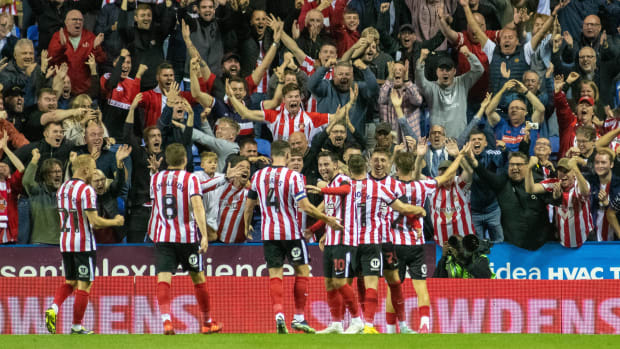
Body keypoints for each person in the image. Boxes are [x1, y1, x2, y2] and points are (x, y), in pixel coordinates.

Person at [243, 140, 342, 334]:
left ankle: (279, 316)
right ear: (287, 156)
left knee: (275, 274)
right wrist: (326, 218)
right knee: (303, 271)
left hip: (268, 233)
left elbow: (249, 205)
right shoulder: (294, 177)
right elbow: (304, 206)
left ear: (272, 155)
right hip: (291, 233)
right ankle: (298, 318)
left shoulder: (258, 175)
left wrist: (246, 226)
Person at [346, 153, 427, 334]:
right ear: (369, 163)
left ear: (389, 164)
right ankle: (365, 323)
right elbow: (404, 208)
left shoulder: (391, 185)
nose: (379, 163)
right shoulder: (361, 186)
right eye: (376, 160)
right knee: (363, 281)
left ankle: (402, 326)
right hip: (368, 241)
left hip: (385, 242)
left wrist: (414, 223)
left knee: (395, 282)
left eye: (383, 160)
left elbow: (404, 207)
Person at [45, 154, 124, 335]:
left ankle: (54, 307)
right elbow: (94, 222)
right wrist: (115, 222)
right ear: (85, 170)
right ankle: (77, 326)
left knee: (70, 281)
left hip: (65, 242)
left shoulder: (63, 188)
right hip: (83, 243)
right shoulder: (87, 191)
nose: (94, 171)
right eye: (93, 168)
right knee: (84, 284)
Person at [149, 143, 221, 335]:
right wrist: (204, 235)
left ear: (166, 159)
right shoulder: (191, 179)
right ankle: (207, 322)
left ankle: (166, 321)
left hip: (163, 236)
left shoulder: (155, 178)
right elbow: (197, 206)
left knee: (164, 279)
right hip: (187, 238)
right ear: (185, 160)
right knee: (198, 278)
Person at [305, 151, 364, 335]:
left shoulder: (343, 180)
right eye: (320, 165)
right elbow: (329, 215)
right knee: (329, 283)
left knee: (340, 281)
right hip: (330, 242)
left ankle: (357, 320)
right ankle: (336, 324)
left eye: (326, 165)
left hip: (344, 241)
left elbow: (346, 190)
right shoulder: (331, 187)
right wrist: (313, 229)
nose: (323, 169)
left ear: (336, 165)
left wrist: (322, 189)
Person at [525, 156, 593, 248]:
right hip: (562, 239)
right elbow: (530, 189)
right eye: (560, 171)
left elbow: (585, 192)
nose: (563, 174)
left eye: (566, 171)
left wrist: (576, 169)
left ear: (573, 173)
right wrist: (529, 168)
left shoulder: (580, 184)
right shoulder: (554, 183)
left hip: (585, 238)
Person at [200, 155, 250, 243]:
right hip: (216, 243)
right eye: (241, 167)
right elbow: (199, 187)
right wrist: (226, 177)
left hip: (240, 246)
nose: (246, 170)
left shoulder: (250, 191)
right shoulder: (222, 185)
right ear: (232, 169)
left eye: (248, 168)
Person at [0, 131, 24, 244]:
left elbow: (21, 169)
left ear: (10, 171)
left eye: (5, 166)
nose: (2, 167)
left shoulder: (12, 184)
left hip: (10, 235)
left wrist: (6, 149)